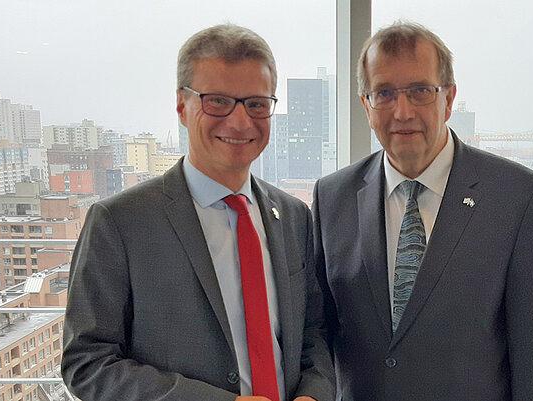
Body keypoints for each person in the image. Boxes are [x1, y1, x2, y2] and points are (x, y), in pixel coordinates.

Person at [62, 24, 335, 401]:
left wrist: (313, 393)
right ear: (181, 105)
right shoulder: (120, 223)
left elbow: (313, 333)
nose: (240, 121)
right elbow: (87, 362)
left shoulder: (291, 215)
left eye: (256, 103)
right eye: (218, 101)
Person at [312, 21, 533, 400]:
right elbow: (318, 331)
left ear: (448, 98)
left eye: (419, 91)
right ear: (366, 106)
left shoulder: (517, 197)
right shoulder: (332, 196)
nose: (402, 111)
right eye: (384, 93)